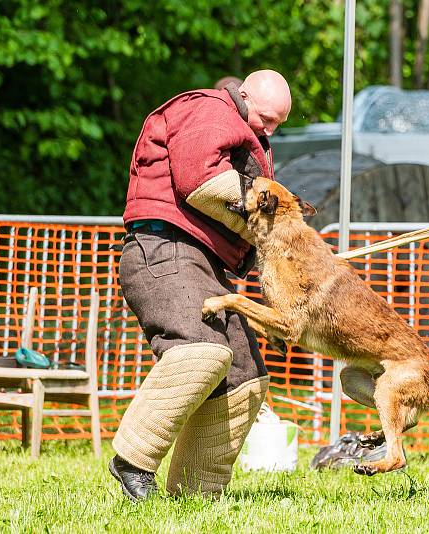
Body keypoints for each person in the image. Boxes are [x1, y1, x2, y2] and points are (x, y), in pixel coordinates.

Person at [109, 69, 292, 501]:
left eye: (277, 124)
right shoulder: (209, 109)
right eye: (266, 118)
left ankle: (195, 492)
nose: (269, 129)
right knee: (199, 352)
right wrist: (273, 226)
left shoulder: (242, 126)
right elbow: (202, 181)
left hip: (204, 264)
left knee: (246, 377)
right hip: (163, 248)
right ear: (243, 95)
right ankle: (132, 460)